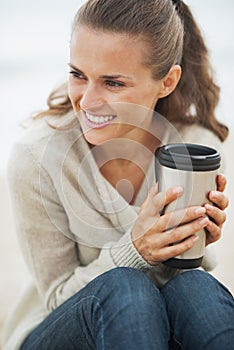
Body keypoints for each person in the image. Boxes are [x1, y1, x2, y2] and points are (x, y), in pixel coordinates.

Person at [2, 0, 234, 349]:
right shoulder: (37, 158)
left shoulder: (195, 148)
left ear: (167, 82)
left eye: (113, 83)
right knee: (127, 286)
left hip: (150, 330)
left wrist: (196, 243)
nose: (87, 101)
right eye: (78, 75)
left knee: (194, 287)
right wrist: (136, 250)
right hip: (60, 329)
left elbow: (180, 283)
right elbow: (58, 296)